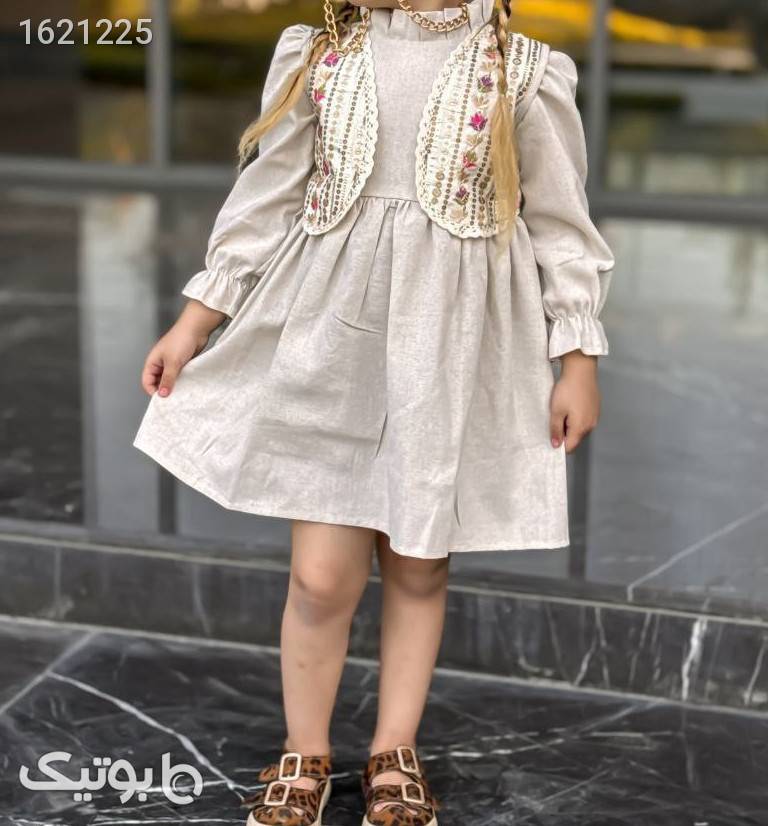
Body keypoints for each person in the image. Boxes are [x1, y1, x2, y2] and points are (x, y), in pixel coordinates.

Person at [133, 1, 615, 824]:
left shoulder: (523, 70)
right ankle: (305, 749)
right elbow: (265, 202)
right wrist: (193, 323)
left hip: (450, 348)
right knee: (321, 575)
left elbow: (560, 226)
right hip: (330, 339)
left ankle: (395, 748)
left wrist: (578, 359)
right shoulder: (322, 53)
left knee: (419, 563)